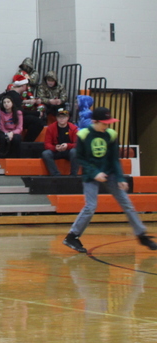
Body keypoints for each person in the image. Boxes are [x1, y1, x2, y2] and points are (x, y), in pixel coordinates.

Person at [63, 107, 157, 254]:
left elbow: (114, 159)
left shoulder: (111, 134)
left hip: (110, 173)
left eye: (108, 123)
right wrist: (95, 173)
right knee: (90, 206)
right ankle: (72, 236)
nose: (107, 126)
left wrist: (120, 178)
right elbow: (80, 158)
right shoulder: (83, 135)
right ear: (95, 121)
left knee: (126, 203)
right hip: (90, 174)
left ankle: (142, 235)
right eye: (104, 123)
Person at [43, 108, 79, 177]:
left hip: (69, 151)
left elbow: (77, 144)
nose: (61, 119)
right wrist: (55, 148)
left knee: (75, 152)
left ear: (68, 118)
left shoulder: (74, 129)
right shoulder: (51, 128)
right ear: (56, 118)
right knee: (46, 153)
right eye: (59, 117)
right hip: (56, 151)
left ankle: (73, 175)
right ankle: (56, 175)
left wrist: (67, 146)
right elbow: (47, 144)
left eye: (64, 117)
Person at [0, 94, 24, 160]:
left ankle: (16, 159)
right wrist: (7, 133)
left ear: (12, 103)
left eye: (8, 102)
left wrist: (12, 133)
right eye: (4, 102)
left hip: (14, 132)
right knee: (2, 138)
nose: (6, 104)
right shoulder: (0, 112)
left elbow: (20, 127)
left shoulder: (18, 113)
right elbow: (1, 126)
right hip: (4, 132)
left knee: (17, 138)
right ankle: (0, 159)